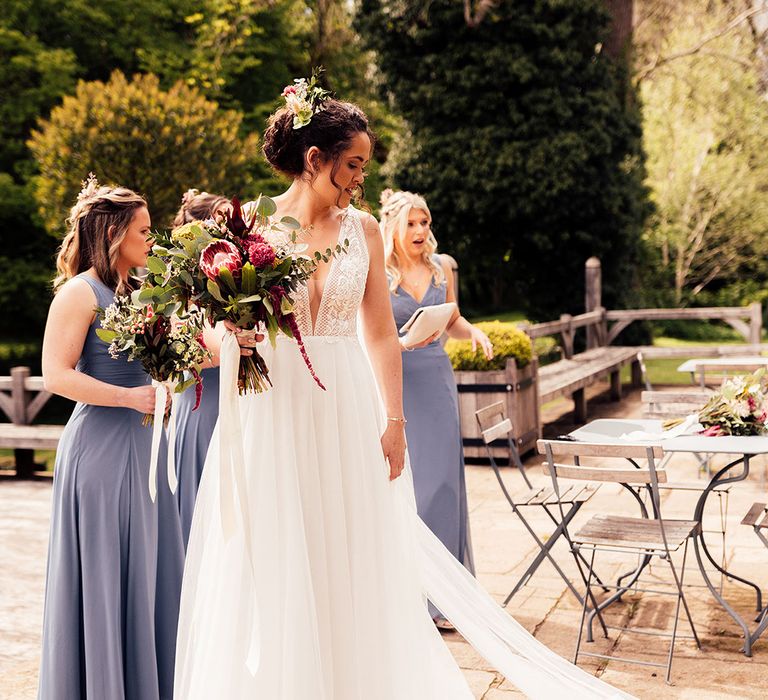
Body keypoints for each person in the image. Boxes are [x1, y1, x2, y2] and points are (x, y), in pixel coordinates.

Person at [173, 84, 631, 699]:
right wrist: (231, 333)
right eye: (353, 164)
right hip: (274, 407)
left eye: (364, 165)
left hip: (345, 404)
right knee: (282, 547)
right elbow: (209, 324)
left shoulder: (362, 231)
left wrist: (395, 421)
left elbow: (382, 336)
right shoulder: (251, 226)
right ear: (314, 158)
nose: (361, 179)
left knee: (351, 548)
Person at [38, 176, 184, 700]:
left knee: (151, 570)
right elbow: (55, 375)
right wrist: (129, 398)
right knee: (104, 572)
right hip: (99, 450)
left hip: (150, 448)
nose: (153, 237)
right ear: (115, 232)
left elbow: (177, 356)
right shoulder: (80, 294)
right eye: (144, 229)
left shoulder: (145, 291)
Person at [380, 189, 492, 627]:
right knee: (408, 488)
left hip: (437, 382)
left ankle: (445, 600)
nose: (420, 231)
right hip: (396, 383)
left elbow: (453, 320)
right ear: (393, 226)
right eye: (411, 223)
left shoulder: (441, 268)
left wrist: (475, 333)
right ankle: (405, 591)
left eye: (424, 223)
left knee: (443, 486)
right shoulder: (378, 271)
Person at [171, 189, 231, 548]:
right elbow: (180, 353)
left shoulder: (238, 280)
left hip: (240, 400)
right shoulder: (177, 285)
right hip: (200, 404)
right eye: (222, 221)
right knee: (200, 519)